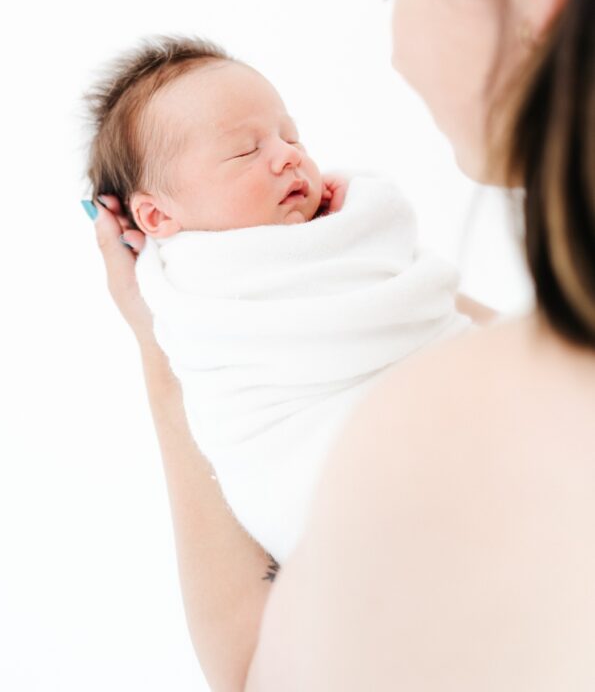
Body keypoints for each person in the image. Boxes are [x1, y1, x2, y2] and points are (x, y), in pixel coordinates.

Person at [83, 0, 595, 686]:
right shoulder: (517, 383)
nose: (395, 44)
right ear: (158, 215)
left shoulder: (443, 431)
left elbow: (253, 668)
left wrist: (154, 344)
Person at [81, 35, 481, 565]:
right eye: (246, 150)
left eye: (291, 137)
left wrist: (354, 236)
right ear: (156, 218)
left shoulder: (348, 223)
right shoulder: (192, 298)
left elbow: (413, 297)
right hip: (341, 486)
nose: (288, 157)